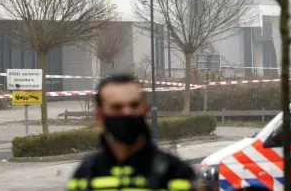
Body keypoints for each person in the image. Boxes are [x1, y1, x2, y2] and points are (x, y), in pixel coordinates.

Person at [67, 73, 196, 191]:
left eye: (134, 105)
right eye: (117, 107)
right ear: (99, 117)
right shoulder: (84, 176)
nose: (127, 112)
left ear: (145, 111)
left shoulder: (177, 174)